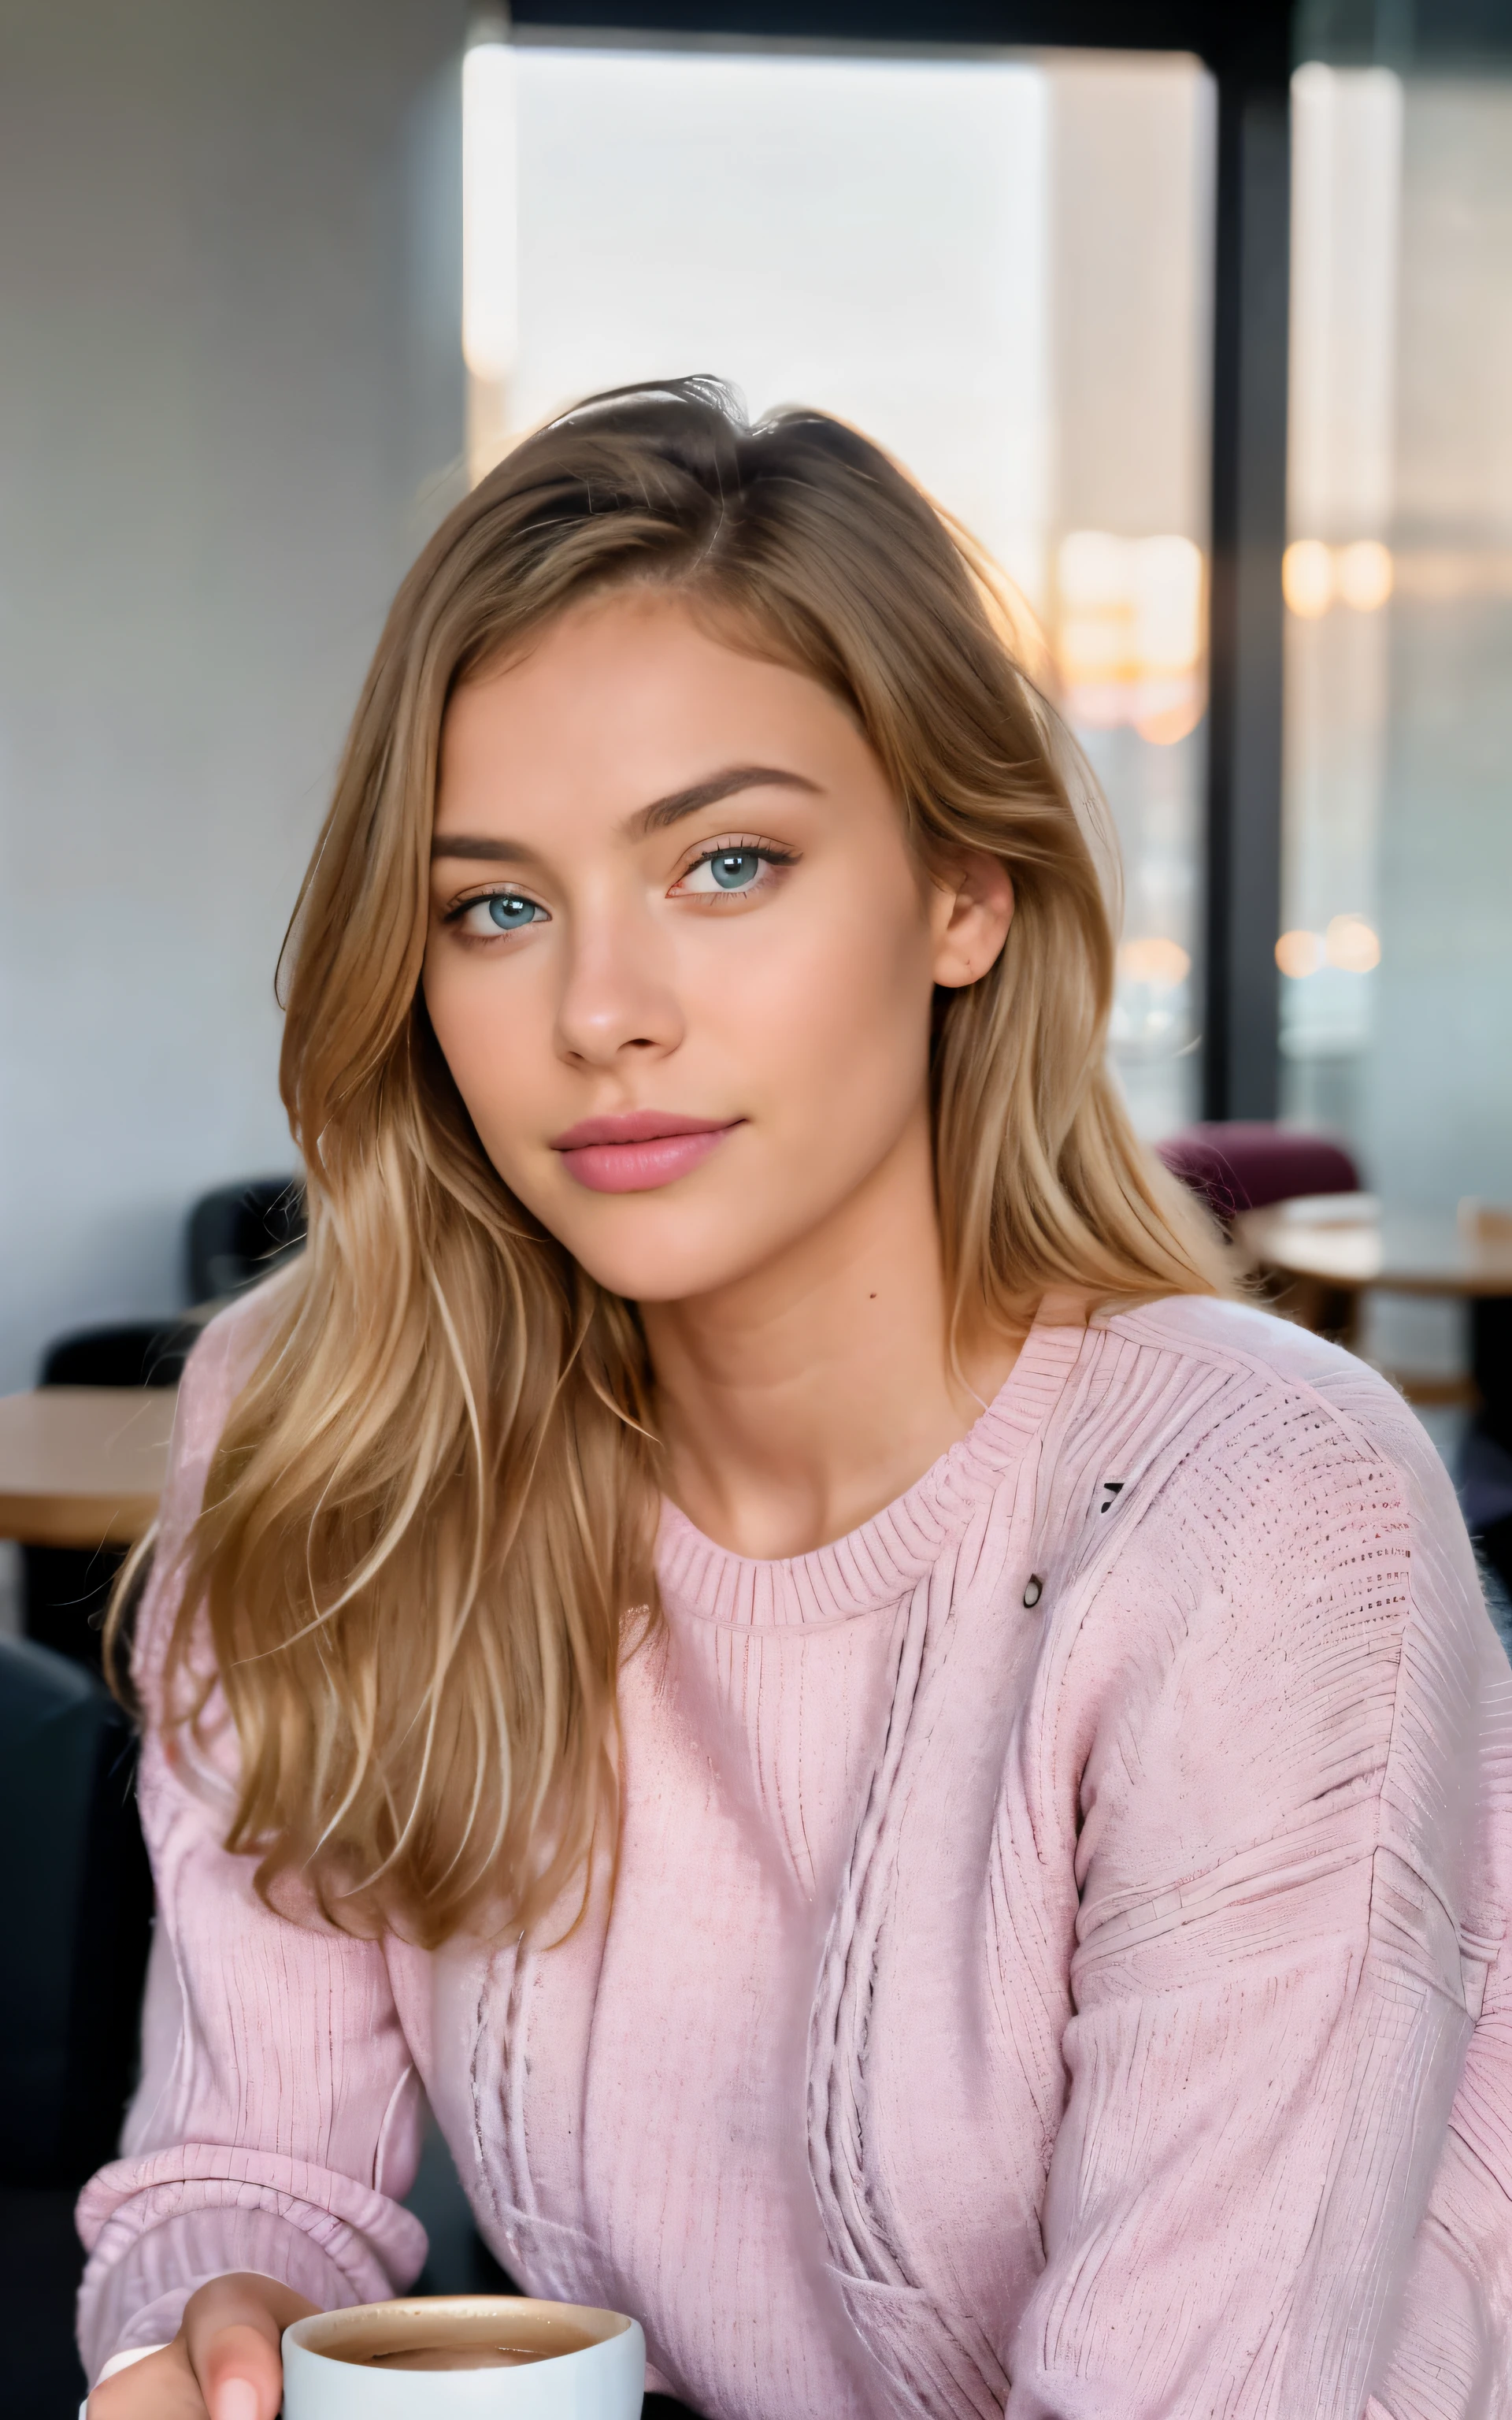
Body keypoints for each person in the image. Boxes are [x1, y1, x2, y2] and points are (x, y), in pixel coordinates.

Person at [82, 380, 1510, 2420]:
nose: (600, 1012)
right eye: (494, 906)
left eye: (728, 864)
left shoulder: (1260, 1515)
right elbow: (246, 2175)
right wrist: (207, 2323)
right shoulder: (336, 1436)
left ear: (966, 890)